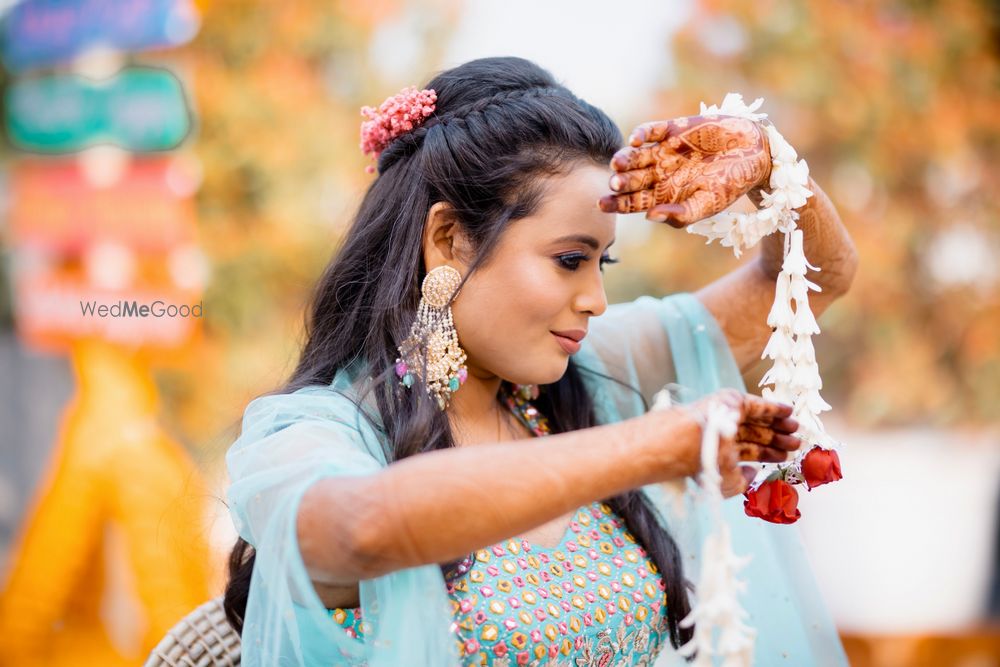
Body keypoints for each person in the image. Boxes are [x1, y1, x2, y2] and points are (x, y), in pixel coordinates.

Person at [222, 56, 857, 666]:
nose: (598, 301)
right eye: (570, 260)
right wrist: (651, 448)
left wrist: (772, 165)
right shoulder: (314, 437)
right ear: (448, 240)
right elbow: (364, 526)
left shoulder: (583, 380)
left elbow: (816, 277)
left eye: (603, 263)